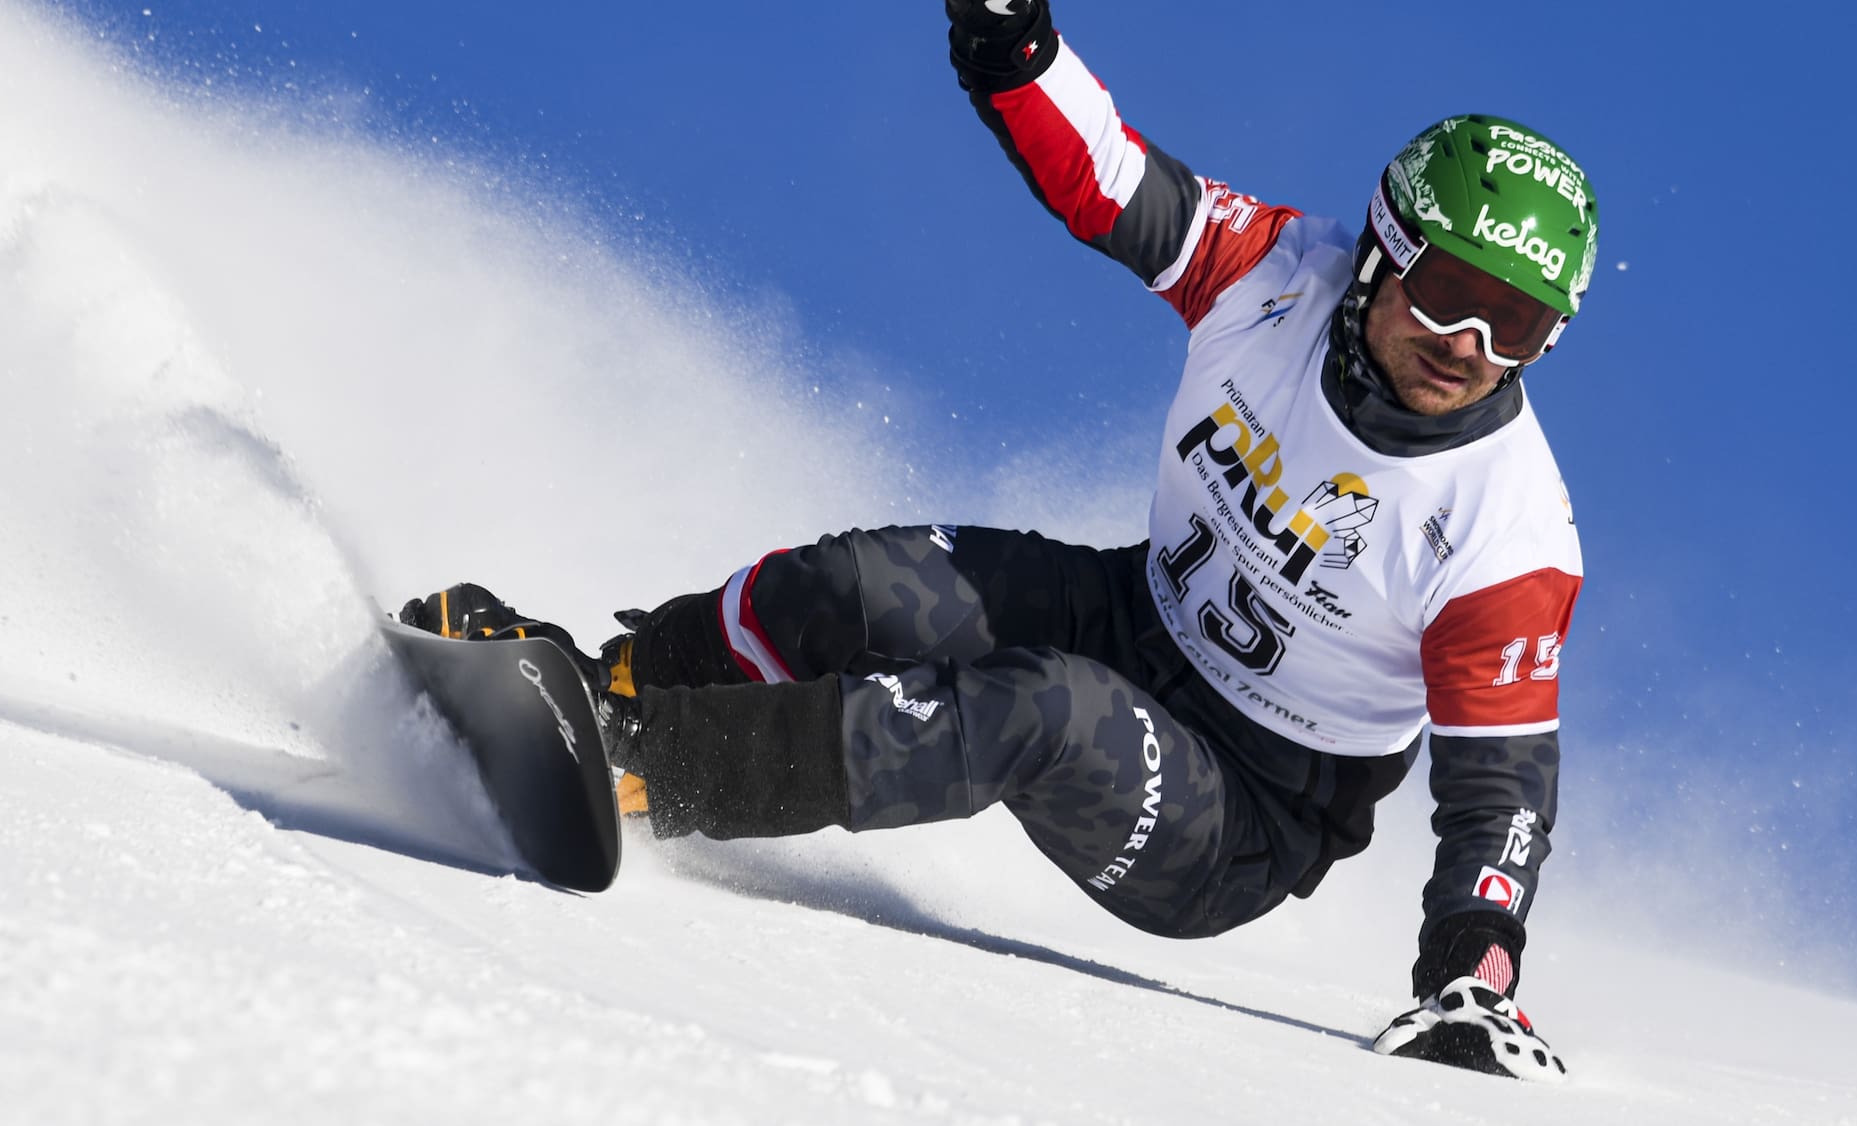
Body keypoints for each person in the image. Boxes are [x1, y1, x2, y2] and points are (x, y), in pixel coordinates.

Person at [401, 0, 1595, 1082]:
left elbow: (1497, 791)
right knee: (854, 586)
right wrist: (1010, 37)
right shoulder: (1276, 271)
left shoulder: (1501, 529)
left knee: (1029, 712)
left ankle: (654, 767)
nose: (1466, 343)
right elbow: (1110, 180)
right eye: (1446, 289)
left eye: (1516, 324)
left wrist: (1470, 970)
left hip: (1241, 812)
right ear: (1382, 247)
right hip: (1131, 615)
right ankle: (605, 690)